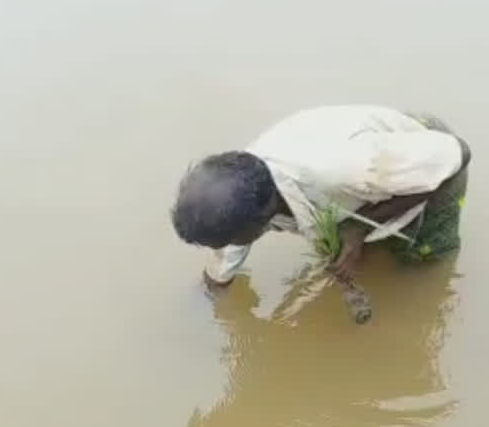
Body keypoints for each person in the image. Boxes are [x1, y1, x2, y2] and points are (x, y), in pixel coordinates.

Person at [171, 105, 472, 291]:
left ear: (261, 220)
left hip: (425, 153)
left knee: (420, 259)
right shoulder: (245, 182)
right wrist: (215, 286)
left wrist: (358, 231)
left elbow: (458, 153)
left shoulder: (351, 167)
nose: (230, 245)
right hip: (376, 167)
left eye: (229, 240)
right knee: (353, 243)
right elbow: (230, 245)